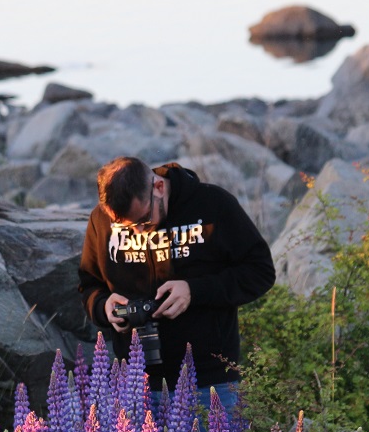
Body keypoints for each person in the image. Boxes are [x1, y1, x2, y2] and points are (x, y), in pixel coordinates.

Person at [77, 156, 275, 412]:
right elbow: (89, 285)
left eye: (143, 221)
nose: (138, 233)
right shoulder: (101, 220)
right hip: (134, 384)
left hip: (208, 383)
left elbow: (260, 271)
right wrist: (104, 307)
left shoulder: (213, 205)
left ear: (158, 187)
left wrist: (194, 290)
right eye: (125, 227)